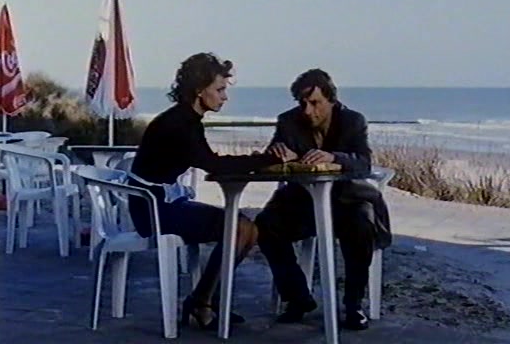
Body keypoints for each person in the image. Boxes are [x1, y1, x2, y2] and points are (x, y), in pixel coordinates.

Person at [128, 52, 292, 331]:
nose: (224, 97)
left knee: (248, 229)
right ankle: (202, 301)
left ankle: (206, 299)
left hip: (163, 203)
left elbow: (210, 160)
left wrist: (259, 160)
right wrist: (267, 159)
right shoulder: (179, 124)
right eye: (219, 89)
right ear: (199, 90)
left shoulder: (186, 120)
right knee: (240, 228)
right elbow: (213, 165)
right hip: (153, 209)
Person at [255, 69, 391, 331]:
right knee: (265, 224)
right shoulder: (288, 121)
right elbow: (269, 158)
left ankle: (353, 304)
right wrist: (276, 154)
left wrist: (334, 158)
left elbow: (363, 163)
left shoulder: (352, 120)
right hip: (302, 202)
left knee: (362, 224)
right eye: (303, 103)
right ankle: (298, 297)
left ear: (331, 100)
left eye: (315, 103)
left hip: (347, 201)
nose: (308, 111)